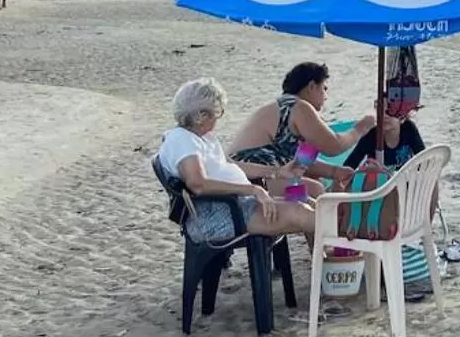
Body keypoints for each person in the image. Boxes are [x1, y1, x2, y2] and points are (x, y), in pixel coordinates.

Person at [156, 78, 331, 252]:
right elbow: (198, 184)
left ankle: (327, 262)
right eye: (217, 113)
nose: (217, 120)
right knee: (299, 210)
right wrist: (254, 190)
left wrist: (277, 172)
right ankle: (341, 257)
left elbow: (232, 165)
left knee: (307, 202)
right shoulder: (182, 140)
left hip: (235, 206)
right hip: (219, 215)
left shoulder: (200, 137)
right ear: (202, 115)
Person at [226, 62, 372, 184]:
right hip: (251, 174)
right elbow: (333, 146)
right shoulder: (298, 107)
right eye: (324, 89)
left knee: (317, 187)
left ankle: (324, 216)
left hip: (251, 174)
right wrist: (361, 128)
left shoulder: (285, 108)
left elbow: (301, 163)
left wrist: (334, 172)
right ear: (311, 87)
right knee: (315, 190)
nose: (326, 96)